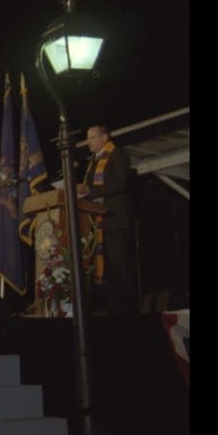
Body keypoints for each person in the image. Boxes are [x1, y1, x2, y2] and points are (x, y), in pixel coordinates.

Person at [78, 124, 137, 316]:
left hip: (115, 221)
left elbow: (121, 182)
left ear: (105, 138)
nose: (89, 142)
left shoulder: (116, 154)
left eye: (92, 137)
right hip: (98, 223)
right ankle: (114, 313)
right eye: (88, 138)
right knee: (109, 273)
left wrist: (90, 191)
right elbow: (90, 188)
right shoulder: (92, 161)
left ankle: (128, 314)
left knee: (121, 270)